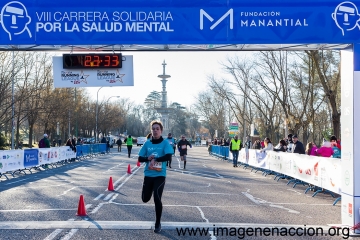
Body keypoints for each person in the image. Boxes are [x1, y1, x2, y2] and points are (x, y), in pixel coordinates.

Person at [138, 120, 173, 234]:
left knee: (157, 198)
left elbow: (168, 156)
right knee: (145, 199)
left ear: (161, 131)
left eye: (157, 129)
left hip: (160, 175)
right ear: (151, 130)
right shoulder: (147, 143)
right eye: (153, 129)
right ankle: (149, 190)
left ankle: (157, 223)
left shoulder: (165, 143)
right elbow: (140, 158)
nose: (155, 130)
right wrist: (148, 158)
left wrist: (157, 159)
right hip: (148, 175)